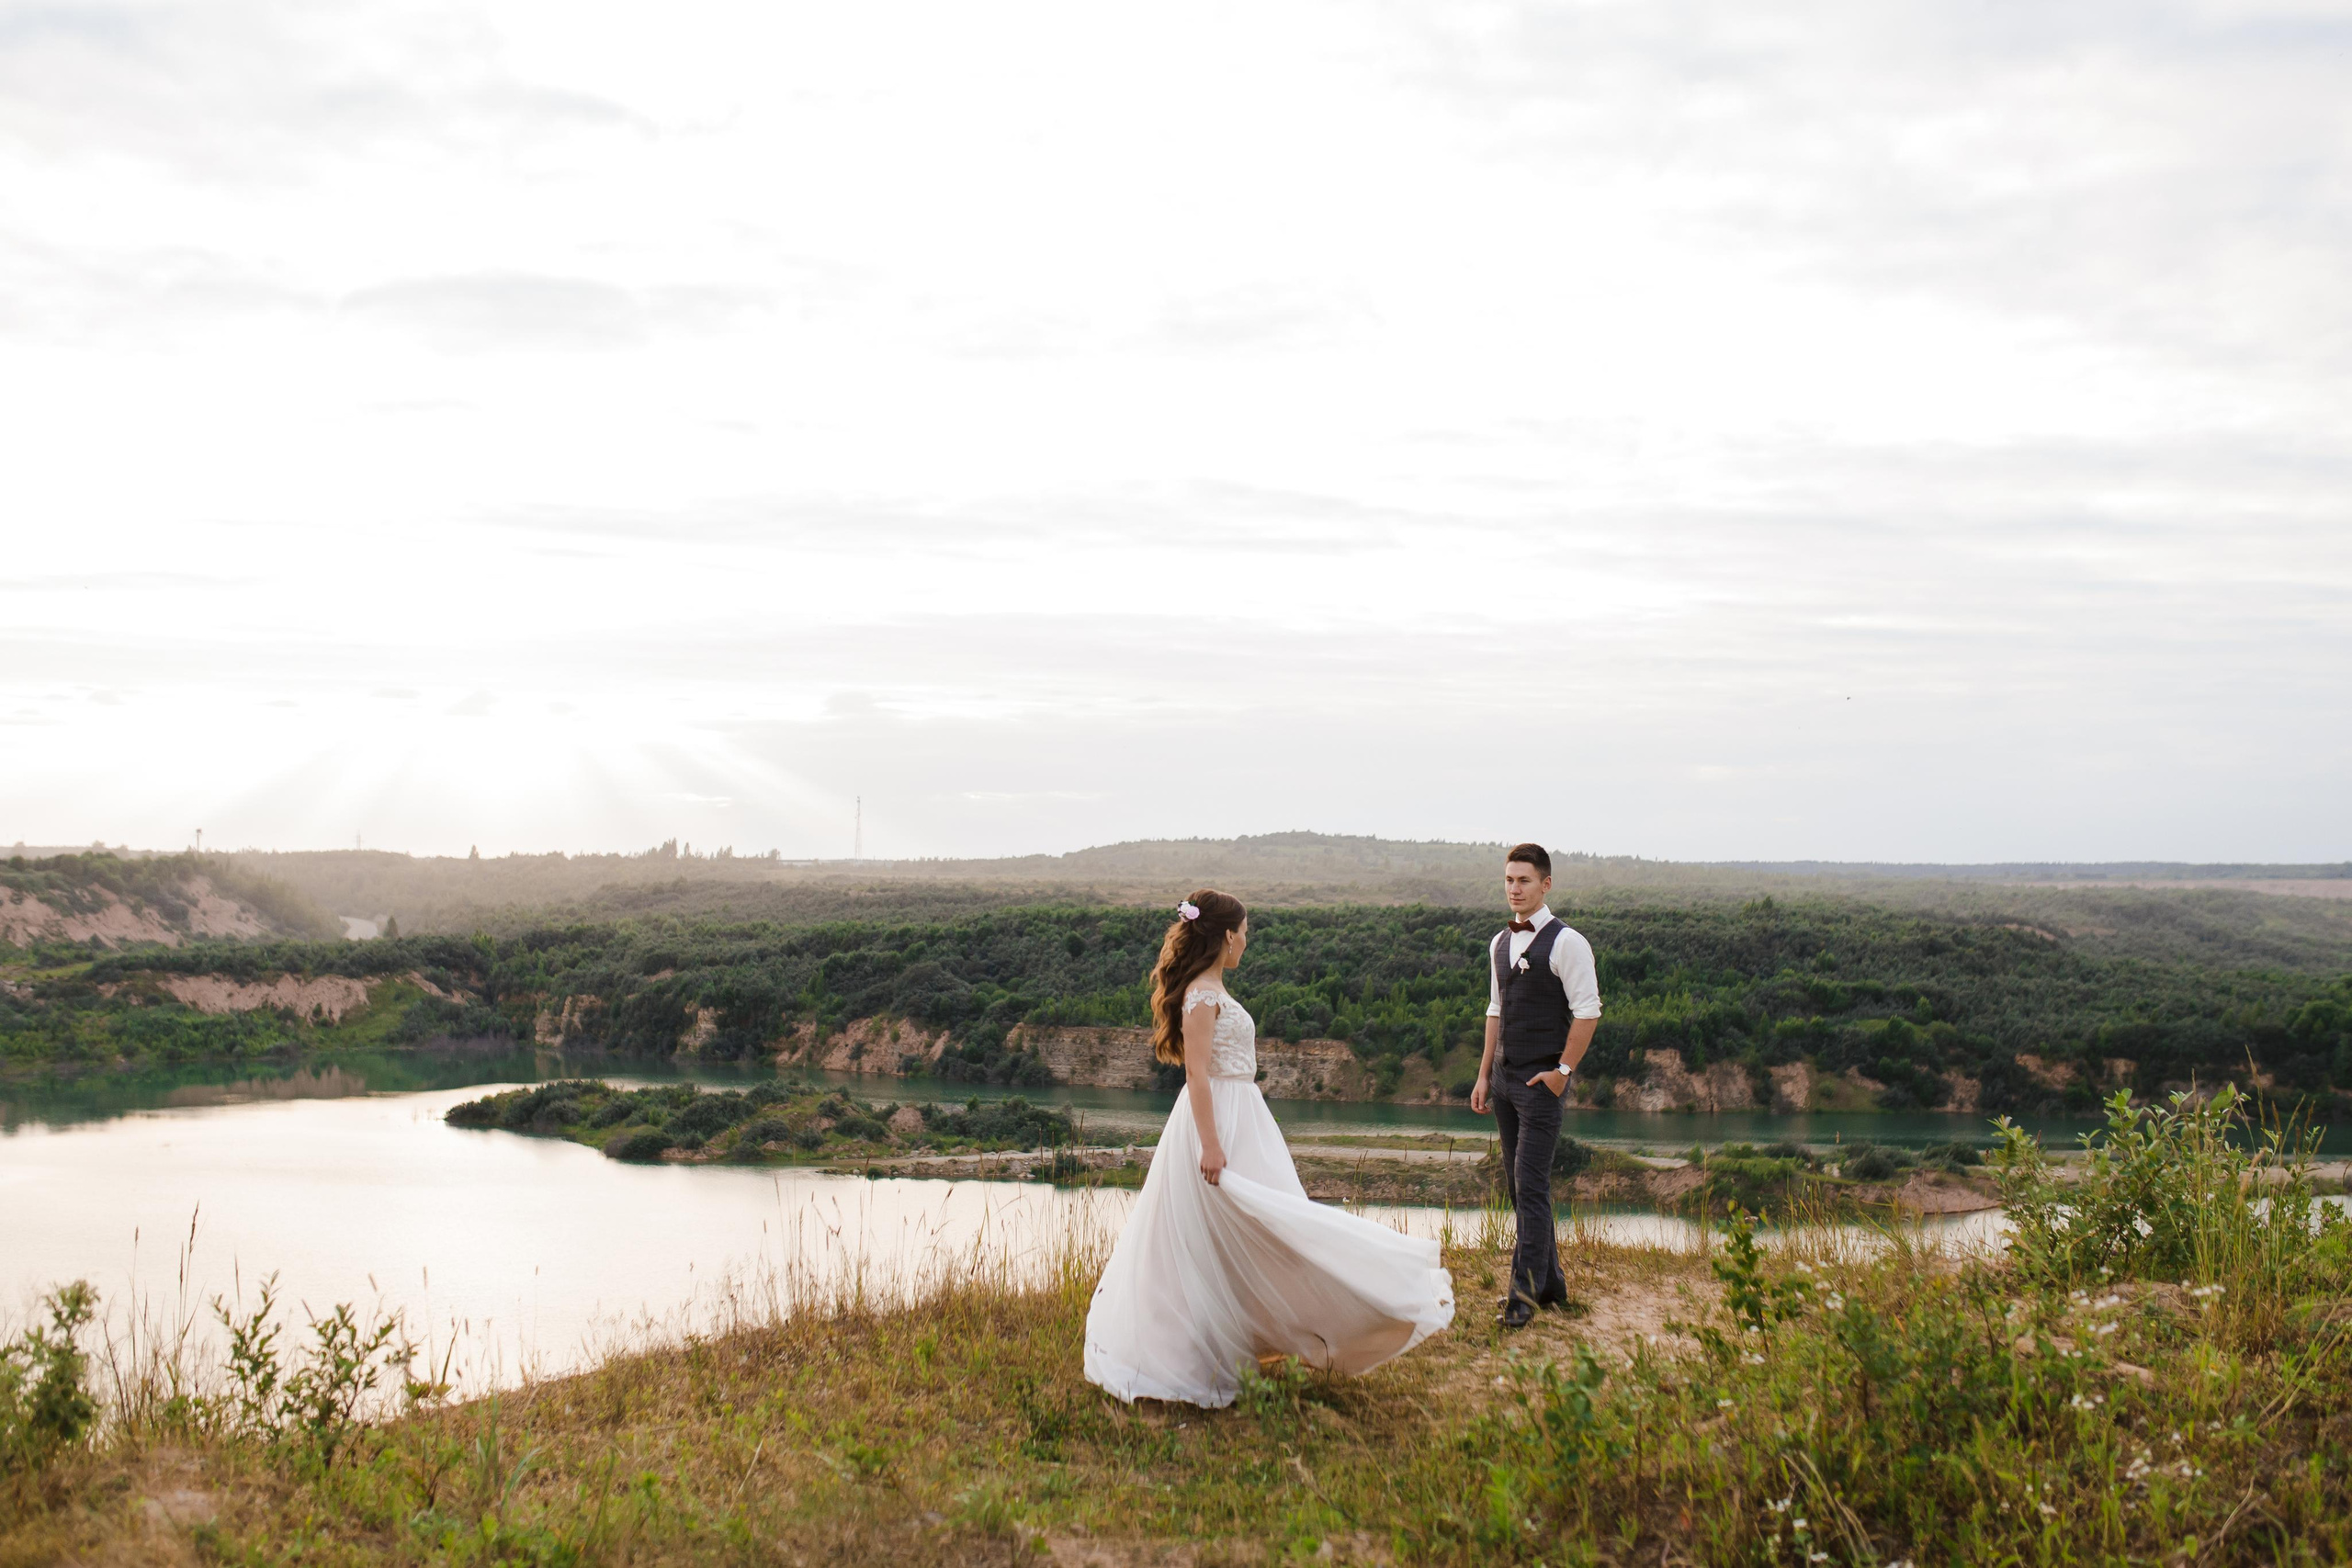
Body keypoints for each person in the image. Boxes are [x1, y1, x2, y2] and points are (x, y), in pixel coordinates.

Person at [1083, 889, 1455, 1406]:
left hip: (1245, 1118)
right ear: (1227, 935)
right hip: (1216, 1125)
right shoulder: (1201, 995)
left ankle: (1276, 1335)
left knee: (1277, 1227)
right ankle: (1201, 1350)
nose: (1247, 943)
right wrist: (1211, 1146)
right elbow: (1196, 1074)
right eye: (1245, 933)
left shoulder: (1213, 988)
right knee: (1222, 1235)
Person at [1469, 843, 1602, 1328]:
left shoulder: (1568, 943)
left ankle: (1521, 1299)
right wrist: (1485, 1075)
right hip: (1504, 1081)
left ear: (1546, 884)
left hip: (1542, 1084)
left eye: (1523, 880)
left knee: (1531, 1185)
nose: (1514, 889)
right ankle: (1552, 1285)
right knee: (1518, 1186)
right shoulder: (1498, 943)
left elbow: (1588, 1011)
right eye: (1508, 880)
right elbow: (1495, 1010)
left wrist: (1562, 1073)